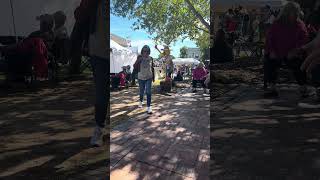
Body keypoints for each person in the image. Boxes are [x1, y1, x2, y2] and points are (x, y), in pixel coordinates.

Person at [264, 1, 309, 97]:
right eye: (293, 12)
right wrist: (272, 51)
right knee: (269, 61)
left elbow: (304, 39)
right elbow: (269, 39)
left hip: (292, 53)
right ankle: (272, 87)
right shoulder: (277, 23)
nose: (295, 14)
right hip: (277, 52)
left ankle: (303, 87)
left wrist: (296, 50)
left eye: (297, 12)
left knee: (299, 63)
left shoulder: (299, 24)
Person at [89, 0, 108, 147]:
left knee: (105, 94)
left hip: (109, 56)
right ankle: (98, 129)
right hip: (98, 53)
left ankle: (103, 126)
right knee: (102, 94)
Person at [134, 45, 155, 114]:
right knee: (141, 91)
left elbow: (152, 68)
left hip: (149, 77)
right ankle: (141, 101)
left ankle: (149, 107)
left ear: (149, 52)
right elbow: (134, 66)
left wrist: (153, 77)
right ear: (142, 51)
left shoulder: (151, 58)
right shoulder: (139, 57)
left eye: (147, 51)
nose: (145, 52)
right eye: (144, 51)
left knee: (148, 92)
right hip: (141, 77)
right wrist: (139, 60)